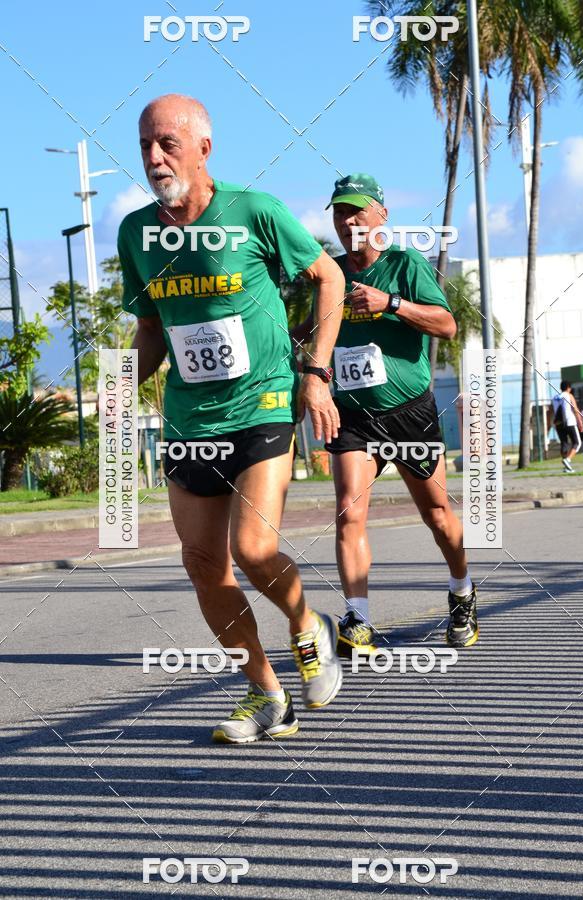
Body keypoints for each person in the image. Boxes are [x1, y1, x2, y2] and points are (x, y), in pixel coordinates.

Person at [118, 94, 345, 744]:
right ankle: (267, 694)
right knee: (201, 562)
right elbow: (151, 330)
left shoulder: (253, 211)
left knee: (252, 549)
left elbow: (328, 277)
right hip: (191, 418)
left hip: (263, 401)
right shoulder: (137, 233)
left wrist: (316, 373)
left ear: (203, 148)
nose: (155, 157)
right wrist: (119, 389)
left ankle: (309, 626)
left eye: (167, 143)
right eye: (145, 145)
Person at [292, 174, 478, 654]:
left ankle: (462, 591)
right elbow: (311, 330)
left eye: (356, 211)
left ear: (381, 215)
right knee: (348, 512)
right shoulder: (331, 275)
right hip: (353, 415)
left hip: (408, 412)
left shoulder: (404, 263)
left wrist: (390, 303)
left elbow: (447, 325)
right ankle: (359, 619)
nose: (347, 221)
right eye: (339, 212)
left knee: (437, 515)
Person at [551, 381, 583, 472]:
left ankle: (567, 467)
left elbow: (551, 411)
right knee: (577, 443)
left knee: (564, 443)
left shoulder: (555, 397)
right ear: (569, 388)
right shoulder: (569, 396)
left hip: (558, 424)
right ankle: (568, 460)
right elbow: (575, 409)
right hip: (570, 422)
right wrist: (580, 422)